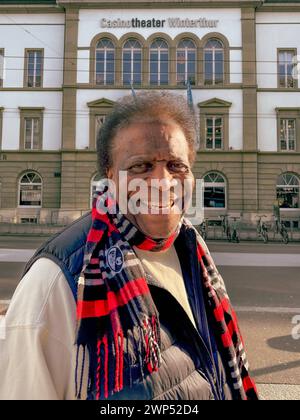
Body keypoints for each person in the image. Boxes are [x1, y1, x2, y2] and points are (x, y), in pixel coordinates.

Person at [0, 91, 258, 400]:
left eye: (176, 165)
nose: (163, 181)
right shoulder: (56, 282)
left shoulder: (193, 250)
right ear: (110, 176)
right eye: (141, 166)